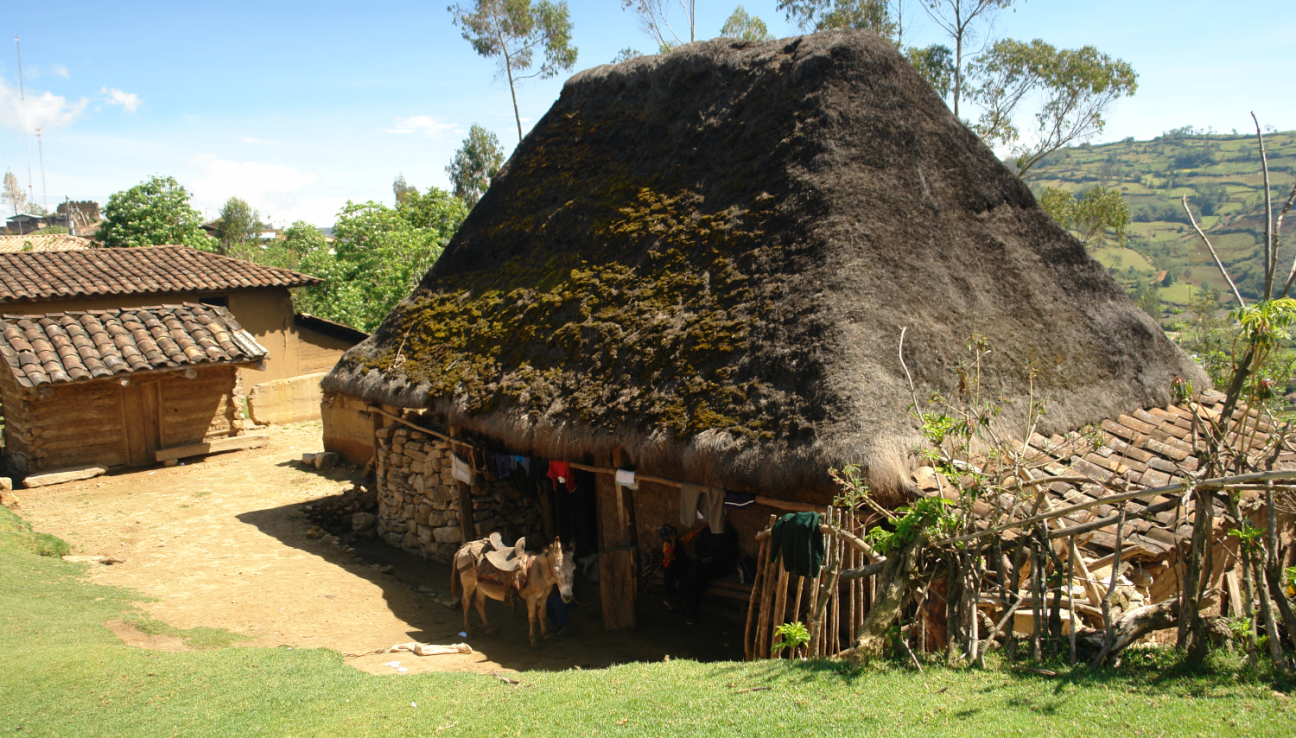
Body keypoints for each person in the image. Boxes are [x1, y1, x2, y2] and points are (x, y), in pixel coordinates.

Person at [660, 523, 738, 624]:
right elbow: (698, 548)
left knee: (696, 573)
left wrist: (712, 560)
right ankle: (690, 614)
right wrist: (701, 559)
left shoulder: (728, 532)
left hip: (718, 567)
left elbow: (728, 557)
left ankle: (679, 599)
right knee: (695, 576)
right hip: (702, 564)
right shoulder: (706, 531)